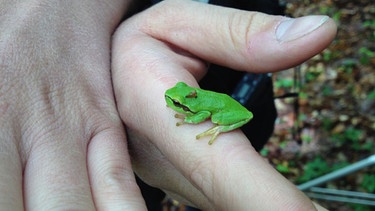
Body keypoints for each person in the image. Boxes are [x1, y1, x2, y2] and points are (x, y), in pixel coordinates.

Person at [0, 0, 336, 210]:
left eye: (177, 99)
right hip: (122, 146)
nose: (172, 98)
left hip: (246, 100)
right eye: (176, 97)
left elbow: (203, 112)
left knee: (246, 142)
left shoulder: (198, 105)